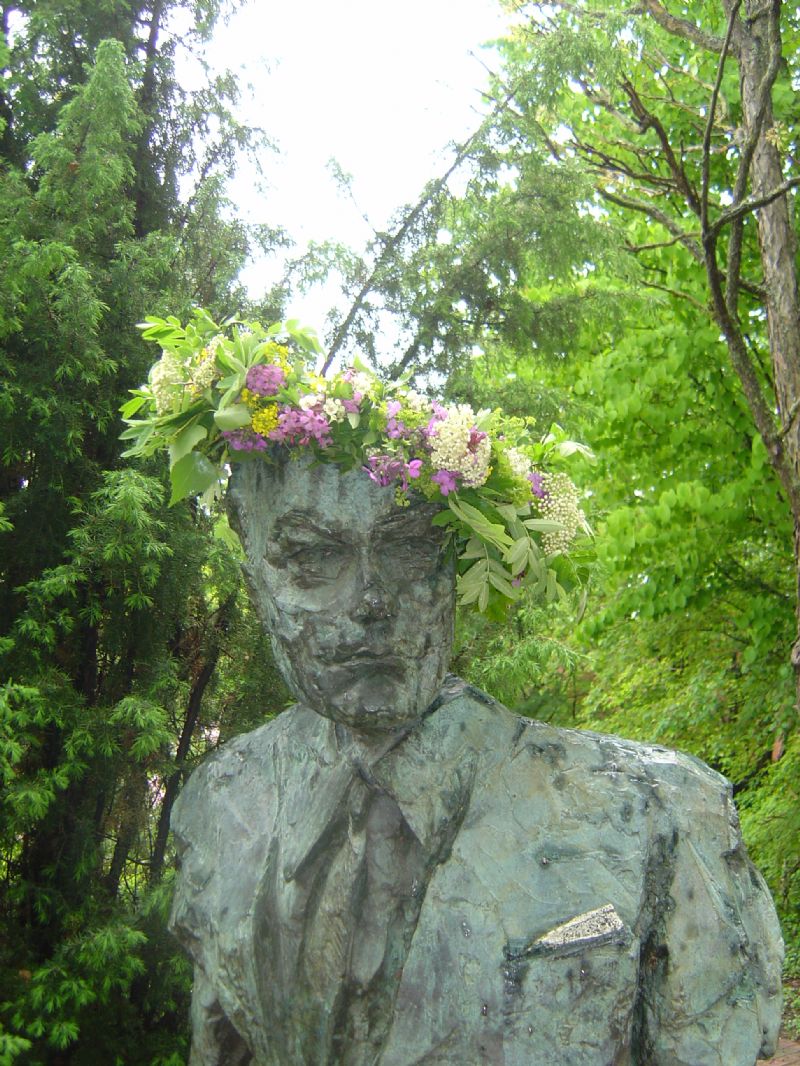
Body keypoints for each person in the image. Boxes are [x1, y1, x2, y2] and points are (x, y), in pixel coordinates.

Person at [169, 456, 783, 1066]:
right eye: (313, 557)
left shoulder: (659, 810)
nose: (373, 600)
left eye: (410, 548)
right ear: (256, 588)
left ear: (454, 570)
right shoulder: (222, 805)